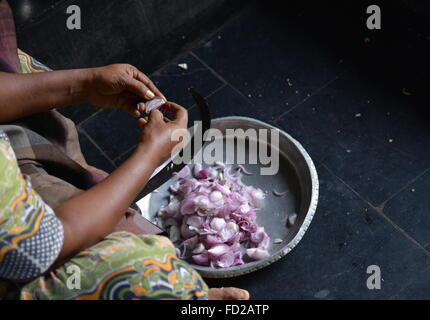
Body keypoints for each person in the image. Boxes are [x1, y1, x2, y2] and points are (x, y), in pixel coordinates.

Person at [0, 0, 249, 300]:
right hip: (27, 253)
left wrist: (86, 84)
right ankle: (184, 296)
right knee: (139, 273)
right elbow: (40, 248)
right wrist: (148, 156)